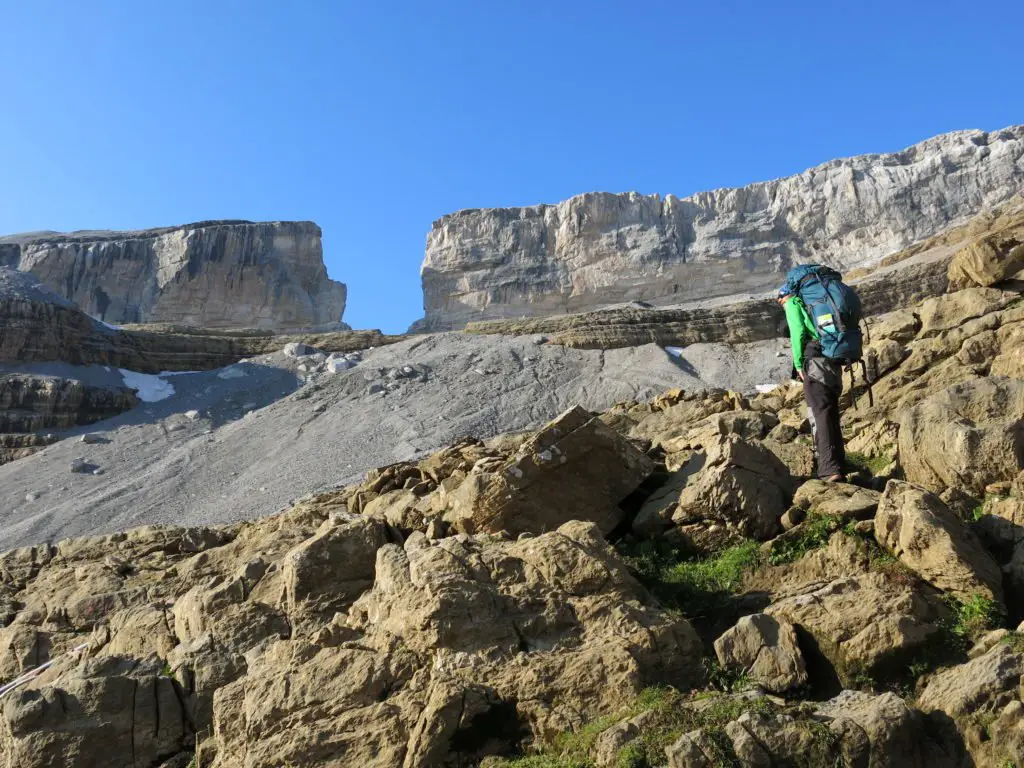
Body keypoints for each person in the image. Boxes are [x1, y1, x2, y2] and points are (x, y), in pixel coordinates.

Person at [777, 285, 846, 482]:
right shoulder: (816, 303)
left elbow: (797, 331)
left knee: (820, 413)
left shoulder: (792, 303)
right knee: (830, 413)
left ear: (783, 296)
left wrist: (798, 363)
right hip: (831, 357)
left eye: (779, 301)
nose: (781, 304)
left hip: (814, 361)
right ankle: (840, 466)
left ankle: (828, 470)